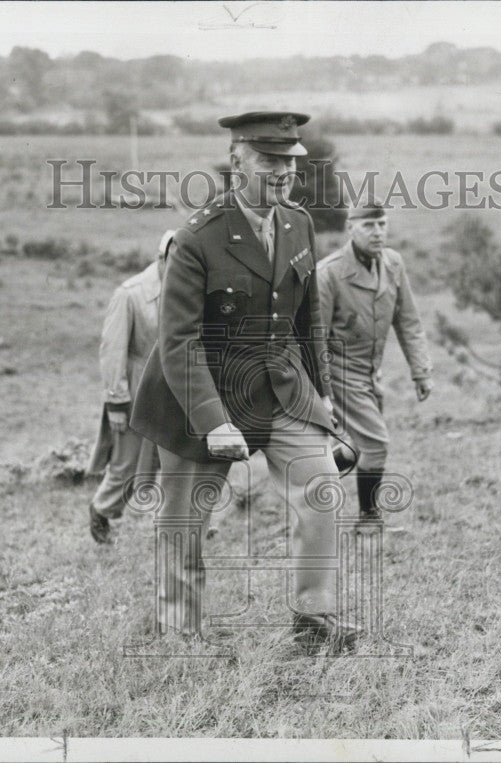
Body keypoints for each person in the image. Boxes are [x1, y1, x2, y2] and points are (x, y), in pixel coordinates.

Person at [130, 111, 358, 653]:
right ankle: (182, 631)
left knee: (320, 486)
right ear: (237, 162)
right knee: (186, 521)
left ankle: (312, 618)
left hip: (277, 386)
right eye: (268, 160)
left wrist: (321, 390)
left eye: (289, 161)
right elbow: (180, 341)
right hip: (198, 391)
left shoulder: (297, 223)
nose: (282, 172)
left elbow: (308, 319)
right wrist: (213, 423)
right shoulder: (197, 239)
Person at [317, 199, 434, 524]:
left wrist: (421, 371)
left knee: (358, 446)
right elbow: (315, 338)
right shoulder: (329, 273)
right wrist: (323, 392)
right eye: (369, 225)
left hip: (371, 372)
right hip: (340, 372)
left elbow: (408, 320)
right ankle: (369, 518)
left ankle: (309, 478)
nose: (377, 231)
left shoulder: (394, 263)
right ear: (350, 228)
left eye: (382, 224)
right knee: (376, 443)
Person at [85, 231, 173, 544]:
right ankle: (101, 510)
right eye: (174, 260)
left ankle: (181, 523)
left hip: (175, 391)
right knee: (127, 463)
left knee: (176, 460)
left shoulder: (189, 291)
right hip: (136, 390)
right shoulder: (130, 293)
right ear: (161, 259)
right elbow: (112, 350)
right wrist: (117, 402)